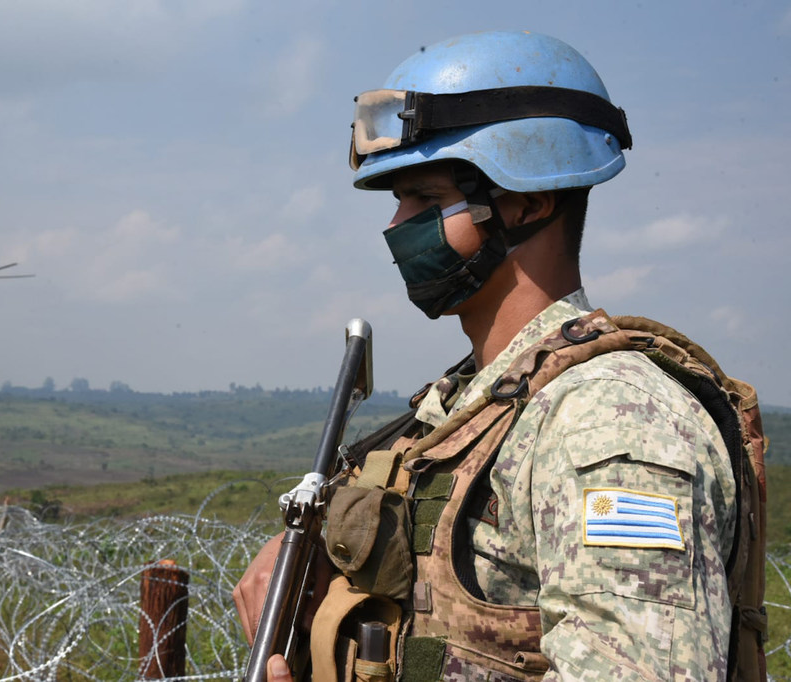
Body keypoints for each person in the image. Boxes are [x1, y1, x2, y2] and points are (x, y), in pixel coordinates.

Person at [234, 31, 738, 681]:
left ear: (529, 200)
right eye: (396, 202)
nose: (395, 227)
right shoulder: (467, 407)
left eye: (424, 200)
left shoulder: (611, 421)